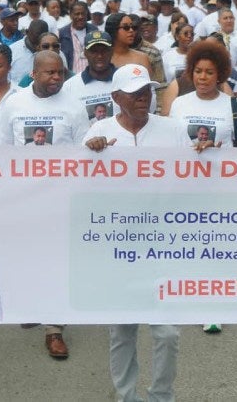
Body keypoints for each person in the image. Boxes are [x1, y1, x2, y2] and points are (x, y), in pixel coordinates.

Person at [83, 65, 196, 402]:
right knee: (122, 331)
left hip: (163, 247)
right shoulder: (97, 132)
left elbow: (193, 179)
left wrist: (206, 157)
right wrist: (89, 155)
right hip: (118, 249)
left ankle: (161, 395)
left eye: (147, 90)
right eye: (134, 93)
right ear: (117, 98)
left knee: (167, 334)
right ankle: (126, 396)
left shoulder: (173, 130)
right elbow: (79, 188)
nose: (144, 97)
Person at [0, 49, 89, 359]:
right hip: (23, 197)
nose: (56, 78)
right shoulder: (14, 103)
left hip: (60, 198)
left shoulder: (74, 107)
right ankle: (33, 306)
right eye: (50, 73)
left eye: (60, 73)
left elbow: (84, 155)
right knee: (29, 256)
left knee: (57, 260)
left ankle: (55, 329)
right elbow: (2, 152)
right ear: (33, 74)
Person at [169, 39, 237, 149]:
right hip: (185, 166)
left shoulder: (235, 105)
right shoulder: (178, 103)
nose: (202, 77)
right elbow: (171, 143)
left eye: (209, 72)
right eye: (198, 71)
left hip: (222, 166)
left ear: (219, 75)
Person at [61, 30, 119, 122]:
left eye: (104, 51)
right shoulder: (70, 87)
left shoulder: (124, 79)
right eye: (94, 51)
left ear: (112, 51)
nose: (99, 56)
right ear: (85, 53)